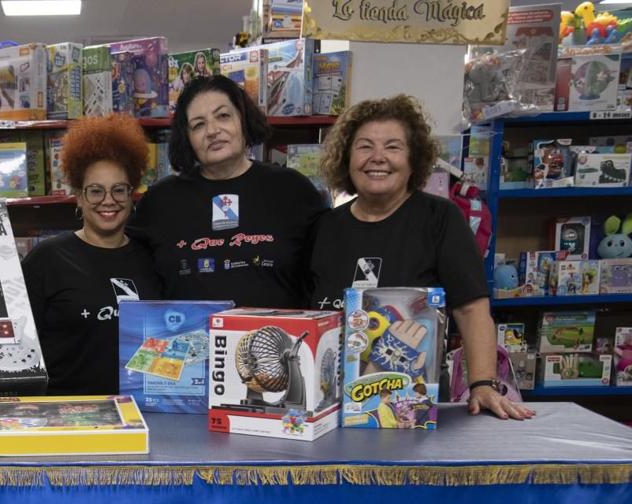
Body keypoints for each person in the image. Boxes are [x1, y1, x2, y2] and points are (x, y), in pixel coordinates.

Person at [310, 94, 533, 420]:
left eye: (393, 147)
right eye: (364, 146)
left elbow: (471, 309)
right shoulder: (324, 226)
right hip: (328, 398)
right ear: (346, 157)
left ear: (414, 159)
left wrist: (482, 383)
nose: (378, 157)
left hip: (410, 399)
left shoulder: (440, 218)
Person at [129, 74, 325, 305]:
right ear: (187, 137)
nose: (212, 131)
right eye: (198, 124)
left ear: (243, 119)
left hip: (279, 339)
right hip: (186, 339)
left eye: (223, 116)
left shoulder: (292, 190)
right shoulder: (160, 201)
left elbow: (323, 277)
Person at [22, 113, 161, 394]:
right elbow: (20, 350)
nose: (108, 201)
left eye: (118, 190)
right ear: (78, 196)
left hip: (141, 414)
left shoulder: (151, 258)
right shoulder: (46, 260)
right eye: (95, 191)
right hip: (66, 420)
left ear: (132, 193)